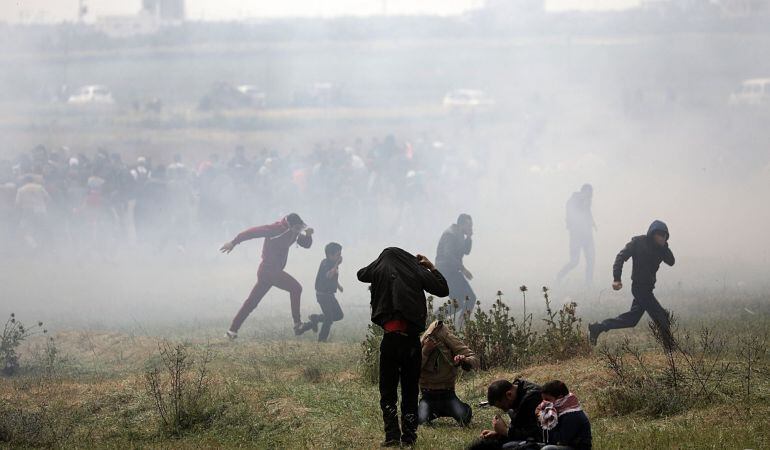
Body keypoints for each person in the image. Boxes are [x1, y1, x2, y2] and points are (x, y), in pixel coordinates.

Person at [357, 248, 449, 447]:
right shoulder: (415, 270)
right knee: (409, 391)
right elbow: (443, 289)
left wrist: (378, 263)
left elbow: (361, 274)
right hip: (411, 342)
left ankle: (391, 436)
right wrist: (430, 267)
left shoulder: (379, 269)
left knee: (387, 391)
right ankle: (409, 437)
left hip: (389, 341)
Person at [220, 213, 314, 339]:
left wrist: (308, 235)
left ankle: (231, 332)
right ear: (289, 225)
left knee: (251, 302)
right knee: (296, 288)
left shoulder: (294, 232)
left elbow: (306, 245)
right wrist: (234, 242)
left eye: (299, 228)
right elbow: (251, 233)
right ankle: (297, 325)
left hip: (270, 272)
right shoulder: (275, 229)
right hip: (269, 270)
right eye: (297, 228)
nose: (298, 231)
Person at [588, 220, 676, 351]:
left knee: (631, 320)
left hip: (648, 289)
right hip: (639, 288)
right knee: (662, 317)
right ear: (652, 234)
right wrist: (616, 278)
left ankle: (598, 327)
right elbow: (620, 257)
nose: (662, 237)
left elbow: (671, 261)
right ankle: (671, 353)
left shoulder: (661, 249)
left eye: (664, 235)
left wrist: (664, 246)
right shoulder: (638, 242)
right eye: (659, 234)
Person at [418, 320, 479, 427]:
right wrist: (425, 351)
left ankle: (462, 409)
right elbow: (412, 369)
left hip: (448, 394)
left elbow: (473, 359)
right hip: (428, 395)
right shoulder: (422, 342)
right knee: (421, 420)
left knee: (464, 417)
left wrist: (463, 360)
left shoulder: (448, 339)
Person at [467, 379, 542, 450]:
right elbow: (521, 427)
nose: (505, 410)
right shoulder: (516, 395)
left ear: (509, 394)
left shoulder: (532, 398)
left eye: (503, 406)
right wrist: (499, 434)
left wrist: (506, 431)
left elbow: (536, 434)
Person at [436, 214, 475, 328]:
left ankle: (435, 318)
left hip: (452, 271)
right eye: (468, 225)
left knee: (458, 303)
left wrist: (469, 237)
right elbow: (448, 255)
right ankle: (461, 326)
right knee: (470, 298)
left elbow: (466, 251)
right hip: (446, 272)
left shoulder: (459, 234)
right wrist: (463, 269)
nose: (470, 227)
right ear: (461, 224)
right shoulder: (450, 234)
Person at [556, 184, 595, 287]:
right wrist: (574, 227)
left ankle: (588, 284)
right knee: (574, 261)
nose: (591, 195)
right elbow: (570, 216)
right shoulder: (573, 201)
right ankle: (559, 276)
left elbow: (588, 212)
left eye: (591, 193)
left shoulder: (587, 200)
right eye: (589, 192)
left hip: (587, 236)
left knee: (591, 260)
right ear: (583, 191)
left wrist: (592, 223)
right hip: (576, 236)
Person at [536, 380, 592, 450]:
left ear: (560, 397)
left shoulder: (572, 414)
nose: (544, 403)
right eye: (543, 400)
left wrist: (549, 420)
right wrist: (541, 419)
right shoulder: (556, 410)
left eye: (547, 399)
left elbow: (560, 441)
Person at [307, 242, 345, 342]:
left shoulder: (333, 264)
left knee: (339, 315)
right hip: (323, 295)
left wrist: (339, 286)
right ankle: (322, 340)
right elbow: (328, 275)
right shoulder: (326, 263)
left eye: (340, 254)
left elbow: (333, 277)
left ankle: (316, 318)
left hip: (330, 294)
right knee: (329, 319)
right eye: (338, 255)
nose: (339, 257)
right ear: (330, 255)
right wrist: (337, 264)